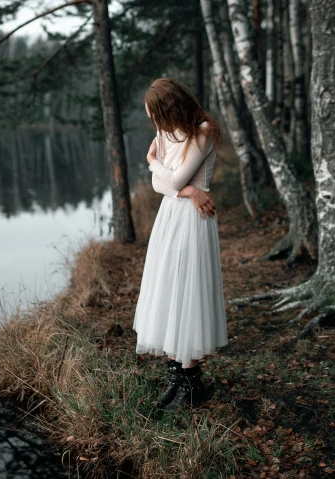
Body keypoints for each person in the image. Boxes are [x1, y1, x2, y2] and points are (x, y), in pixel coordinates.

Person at [133, 78, 227, 411]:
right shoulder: (168, 132)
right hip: (172, 214)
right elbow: (164, 186)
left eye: (156, 115)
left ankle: (190, 381)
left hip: (192, 221)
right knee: (170, 290)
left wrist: (151, 161)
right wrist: (189, 191)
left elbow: (168, 178)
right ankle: (176, 375)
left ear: (169, 108)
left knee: (188, 290)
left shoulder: (202, 131)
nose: (155, 124)